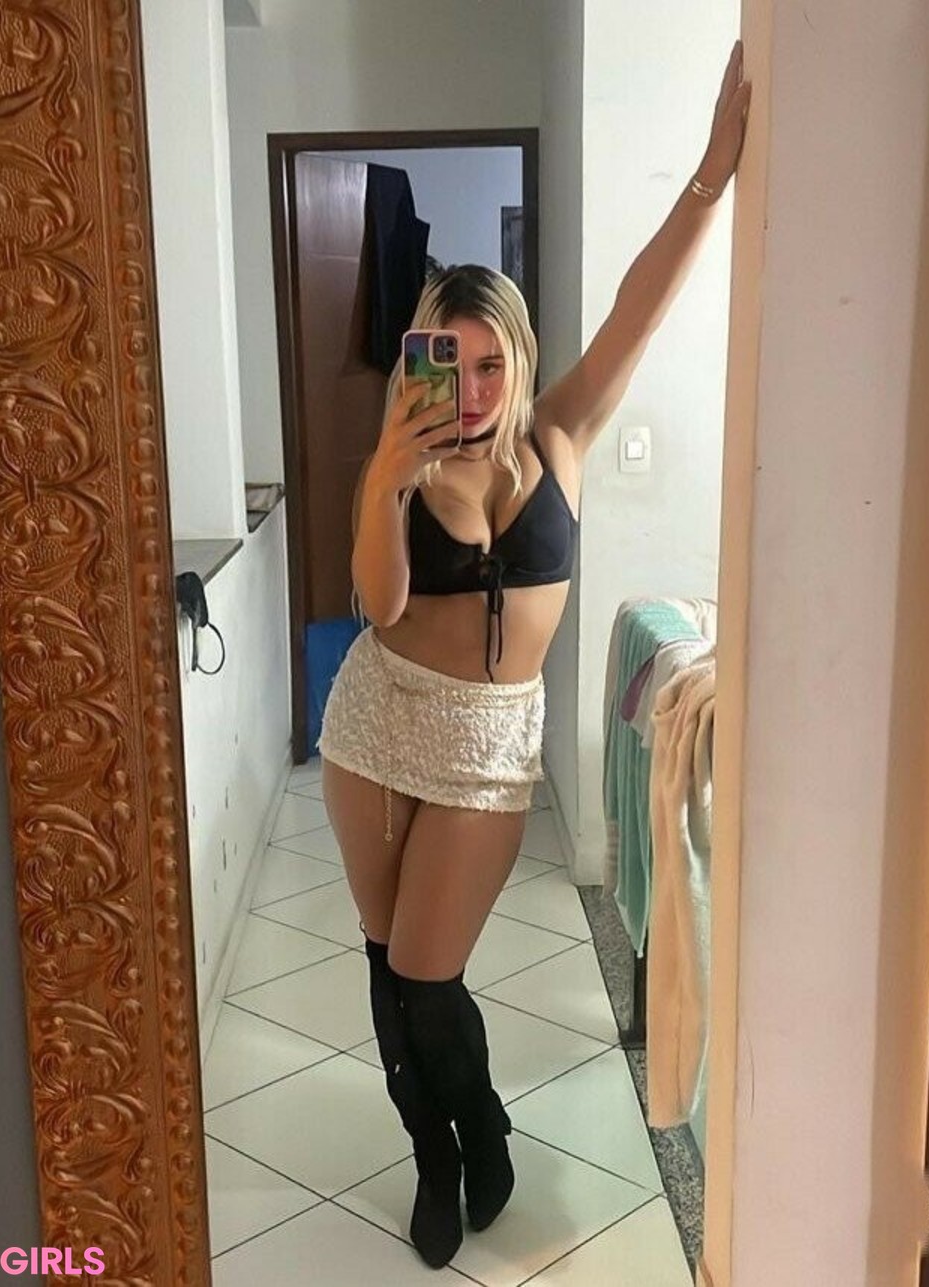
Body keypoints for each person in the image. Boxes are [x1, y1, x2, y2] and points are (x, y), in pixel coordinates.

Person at [318, 42, 751, 1270]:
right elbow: (380, 602)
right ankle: (438, 1156)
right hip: (376, 727)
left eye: (490, 362)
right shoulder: (402, 469)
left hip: (490, 747)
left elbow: (635, 308)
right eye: (446, 362)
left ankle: (487, 1125)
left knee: (430, 970)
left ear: (518, 358)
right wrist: (385, 478)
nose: (470, 387)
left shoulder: (560, 436)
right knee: (392, 971)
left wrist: (711, 177)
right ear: (419, 360)